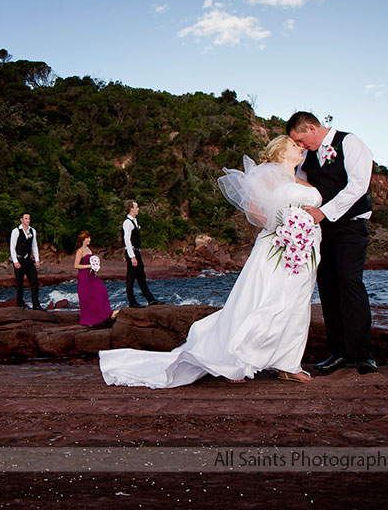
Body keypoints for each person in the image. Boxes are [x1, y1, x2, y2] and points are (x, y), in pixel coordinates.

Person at [100, 136, 318, 387]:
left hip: (307, 249)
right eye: (293, 145)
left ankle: (288, 364)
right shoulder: (269, 175)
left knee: (298, 304)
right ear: (280, 153)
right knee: (266, 300)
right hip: (277, 245)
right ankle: (236, 358)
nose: (299, 148)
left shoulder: (303, 180)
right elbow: (253, 209)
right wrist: (283, 226)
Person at [287, 111, 377, 375]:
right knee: (327, 287)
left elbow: (358, 185)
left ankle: (363, 354)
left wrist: (324, 211)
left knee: (350, 283)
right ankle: (339, 352)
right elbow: (303, 186)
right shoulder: (307, 157)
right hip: (321, 229)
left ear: (313, 128)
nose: (301, 146)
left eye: (301, 140)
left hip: (350, 226)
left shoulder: (350, 142)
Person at [74, 231, 118, 327]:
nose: (89, 239)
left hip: (92, 275)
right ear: (83, 240)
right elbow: (76, 265)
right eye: (87, 238)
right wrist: (89, 266)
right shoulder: (80, 251)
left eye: (89, 238)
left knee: (102, 291)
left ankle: (106, 314)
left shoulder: (88, 249)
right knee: (88, 297)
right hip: (84, 276)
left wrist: (95, 266)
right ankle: (90, 320)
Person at [122, 200, 160, 307]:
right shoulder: (127, 222)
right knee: (131, 277)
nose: (138, 209)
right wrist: (132, 256)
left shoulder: (134, 221)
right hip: (132, 253)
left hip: (137, 252)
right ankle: (132, 302)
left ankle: (150, 299)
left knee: (141, 277)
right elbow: (127, 240)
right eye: (136, 207)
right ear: (131, 209)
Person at [10, 212, 43, 310]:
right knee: (19, 283)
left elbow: (34, 245)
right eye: (26, 218)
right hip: (19, 260)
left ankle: (36, 304)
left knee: (34, 281)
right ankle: (20, 304)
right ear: (21, 219)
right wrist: (15, 261)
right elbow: (12, 247)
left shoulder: (32, 231)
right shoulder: (16, 231)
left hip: (28, 260)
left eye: (29, 218)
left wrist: (37, 259)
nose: (28, 220)